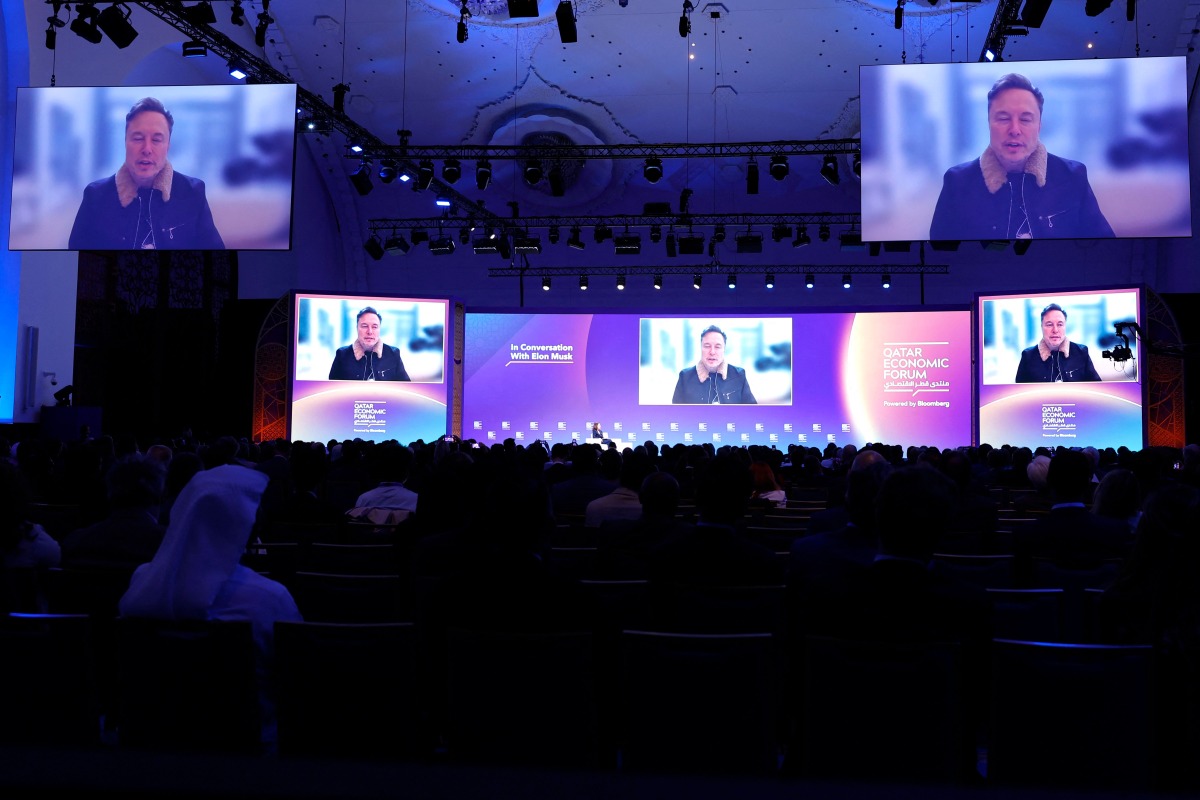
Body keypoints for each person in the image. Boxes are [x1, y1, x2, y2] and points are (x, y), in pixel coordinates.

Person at [118, 464, 303, 750]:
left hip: (151, 752)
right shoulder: (270, 598)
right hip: (247, 756)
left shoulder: (143, 583)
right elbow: (294, 683)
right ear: (250, 527)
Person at [929, 73, 1114, 241]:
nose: (1015, 130)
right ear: (988, 122)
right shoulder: (958, 182)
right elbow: (943, 258)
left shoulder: (1072, 177)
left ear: (1039, 125)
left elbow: (1104, 251)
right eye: (1003, 118)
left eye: (1025, 119)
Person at [68, 97, 225, 250]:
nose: (147, 149)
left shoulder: (192, 192)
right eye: (137, 138)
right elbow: (77, 261)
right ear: (125, 141)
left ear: (168, 145)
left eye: (156, 140)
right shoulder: (96, 196)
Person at [1014, 303, 1102, 383]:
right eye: (1049, 324)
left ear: (1065, 326)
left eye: (1060, 324)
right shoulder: (1028, 356)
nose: (1055, 330)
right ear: (1041, 327)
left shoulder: (1081, 352)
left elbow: (1097, 387)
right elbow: (1018, 393)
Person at [671, 325, 757, 405]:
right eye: (707, 346)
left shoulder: (739, 375)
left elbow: (753, 413)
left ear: (724, 349)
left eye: (717, 347)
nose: (712, 352)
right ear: (701, 348)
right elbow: (675, 414)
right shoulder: (685, 377)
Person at [327, 306, 411, 381]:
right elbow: (332, 390)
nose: (370, 332)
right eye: (364, 326)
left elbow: (405, 388)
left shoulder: (393, 354)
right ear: (357, 328)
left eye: (374, 327)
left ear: (379, 329)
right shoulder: (342, 355)